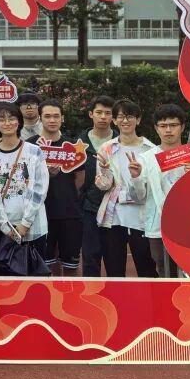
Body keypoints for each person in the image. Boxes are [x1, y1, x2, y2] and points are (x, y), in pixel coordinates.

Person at [93, 99, 159, 278]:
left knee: (147, 270)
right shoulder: (106, 148)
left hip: (143, 218)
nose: (125, 121)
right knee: (114, 271)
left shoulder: (151, 150)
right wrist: (105, 170)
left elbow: (153, 186)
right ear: (114, 120)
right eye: (120, 117)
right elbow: (103, 186)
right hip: (114, 218)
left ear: (138, 119)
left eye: (130, 116)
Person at [0, 103, 50, 271]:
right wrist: (6, 227)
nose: (7, 123)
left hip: (34, 226)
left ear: (19, 121)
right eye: (2, 119)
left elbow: (40, 190)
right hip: (3, 230)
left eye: (12, 118)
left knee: (37, 277)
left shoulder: (34, 151)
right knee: (5, 280)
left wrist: (25, 223)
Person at [139, 103, 190, 278]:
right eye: (163, 126)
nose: (168, 130)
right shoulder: (145, 159)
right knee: (163, 266)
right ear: (156, 128)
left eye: (173, 125)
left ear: (182, 127)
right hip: (158, 224)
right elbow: (138, 195)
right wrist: (136, 178)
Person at [38, 99, 82, 277]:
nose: (52, 120)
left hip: (69, 213)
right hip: (40, 214)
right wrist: (46, 176)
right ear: (40, 118)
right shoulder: (30, 145)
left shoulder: (72, 146)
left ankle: (71, 293)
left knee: (71, 264)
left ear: (62, 118)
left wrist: (69, 195)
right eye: (47, 116)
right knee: (45, 264)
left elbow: (80, 178)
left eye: (56, 116)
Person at [78, 95, 117, 277]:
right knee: (90, 258)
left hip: (116, 209)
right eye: (99, 112)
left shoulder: (121, 142)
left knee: (115, 260)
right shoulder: (77, 144)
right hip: (88, 208)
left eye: (108, 113)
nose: (103, 117)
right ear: (90, 114)